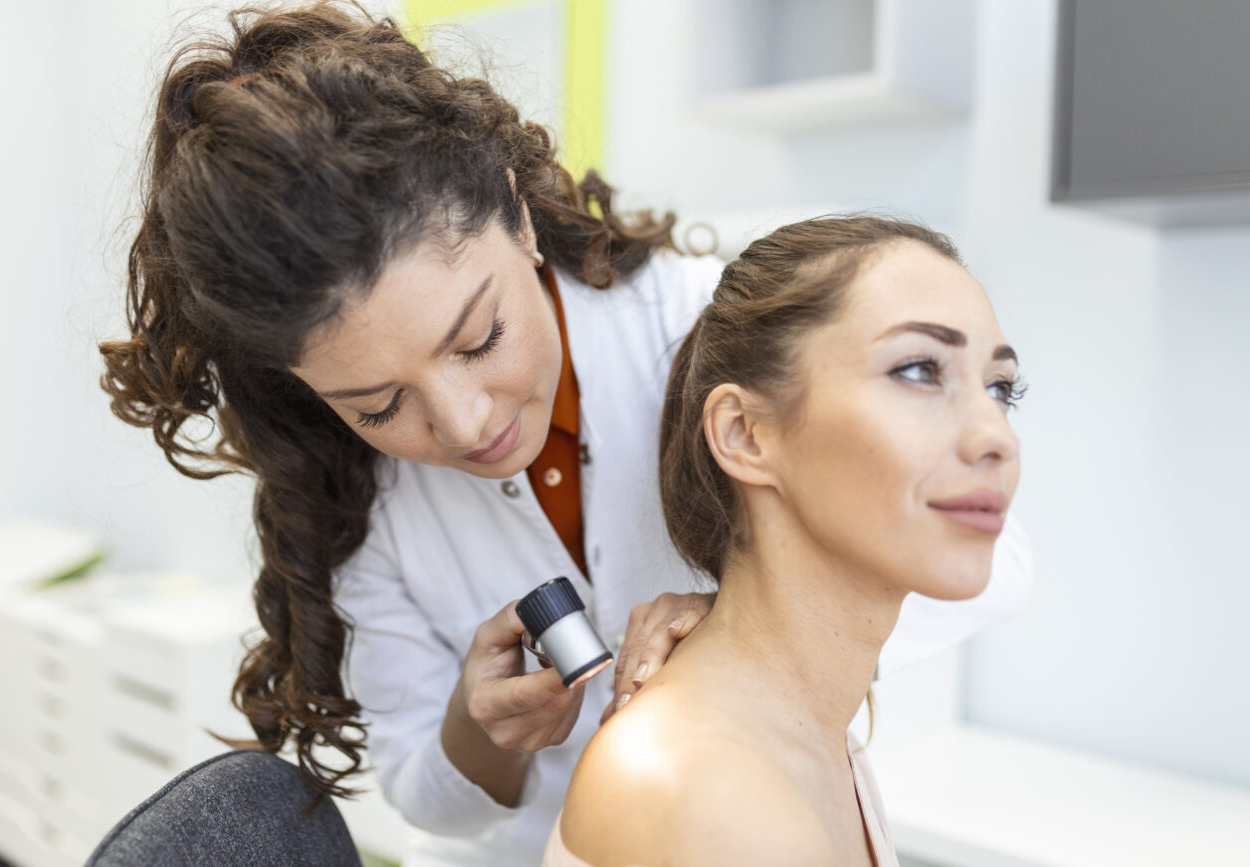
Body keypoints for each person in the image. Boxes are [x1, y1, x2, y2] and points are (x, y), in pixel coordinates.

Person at [99, 4, 1032, 865]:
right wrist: (478, 726)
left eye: (480, 338)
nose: (466, 424)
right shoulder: (365, 500)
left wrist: (750, 631)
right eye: (380, 406)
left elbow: (982, 547)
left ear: (516, 213)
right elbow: (426, 795)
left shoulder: (710, 341)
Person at [544, 216, 1024, 867]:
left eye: (1000, 388)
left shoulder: (812, 735)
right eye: (917, 370)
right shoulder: (714, 796)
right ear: (744, 433)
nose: (995, 435)